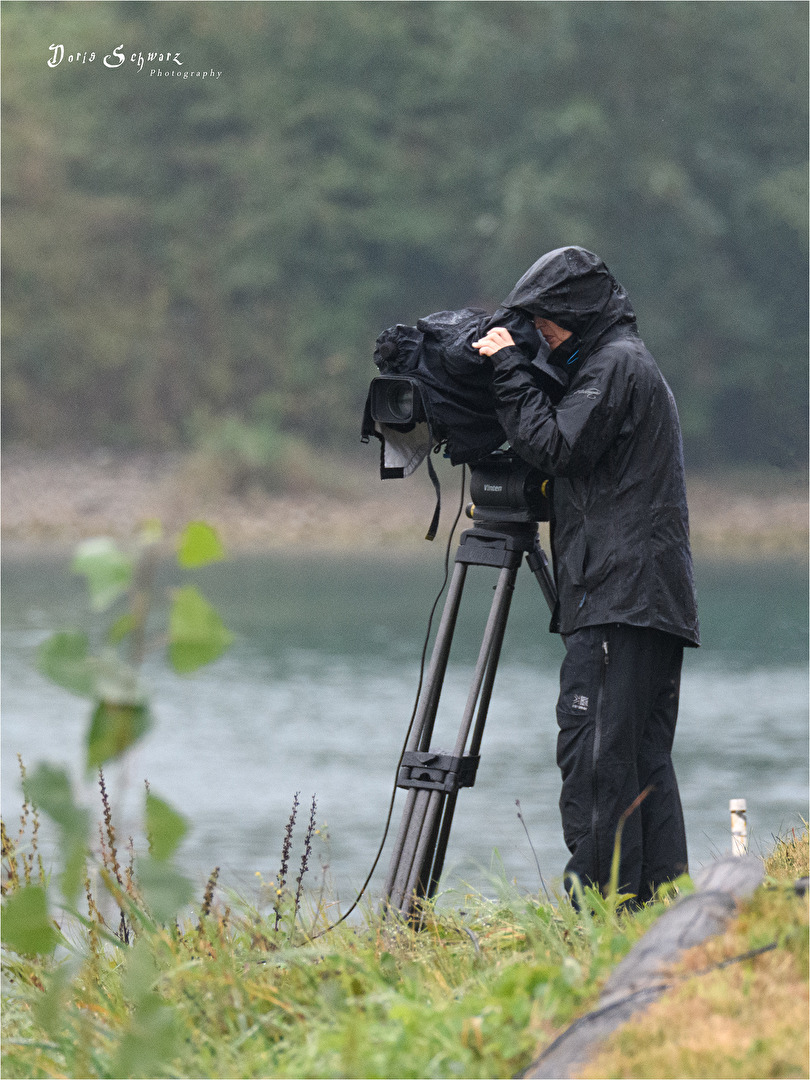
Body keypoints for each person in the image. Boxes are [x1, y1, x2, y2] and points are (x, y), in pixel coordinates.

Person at [472, 246, 699, 905]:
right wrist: (529, 375)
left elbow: (555, 447)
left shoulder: (614, 365)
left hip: (618, 596)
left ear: (576, 311)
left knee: (596, 756)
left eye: (545, 320)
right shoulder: (620, 363)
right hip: (645, 597)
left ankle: (598, 908)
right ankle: (658, 905)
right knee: (639, 759)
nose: (540, 333)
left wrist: (507, 369)